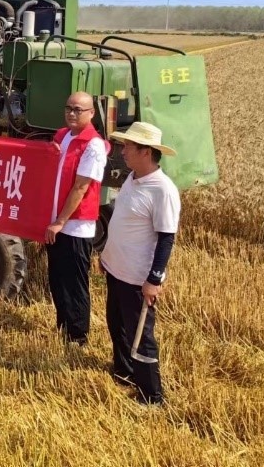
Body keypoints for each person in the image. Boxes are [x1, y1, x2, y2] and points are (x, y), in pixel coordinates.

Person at [100, 121, 180, 405]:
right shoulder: (132, 179)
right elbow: (122, 222)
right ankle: (124, 372)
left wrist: (154, 280)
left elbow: (166, 239)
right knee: (116, 325)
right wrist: (106, 256)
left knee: (141, 336)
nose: (123, 151)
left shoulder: (163, 190)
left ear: (146, 152)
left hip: (137, 278)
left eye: (128, 147)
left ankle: (152, 396)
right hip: (115, 269)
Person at [43, 92, 108, 346]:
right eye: (68, 108)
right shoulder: (63, 136)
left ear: (91, 113)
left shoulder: (93, 145)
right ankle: (63, 328)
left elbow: (81, 187)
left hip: (75, 225)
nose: (72, 113)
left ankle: (78, 336)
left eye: (78, 110)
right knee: (57, 279)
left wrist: (60, 221)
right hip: (57, 222)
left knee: (74, 283)